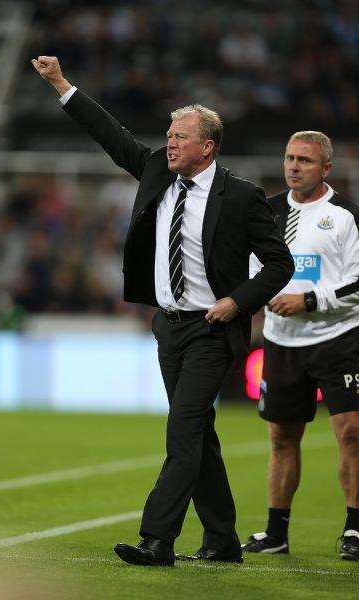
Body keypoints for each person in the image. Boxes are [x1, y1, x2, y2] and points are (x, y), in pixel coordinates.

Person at [31, 55, 294, 567]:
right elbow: (111, 135)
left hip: (211, 329)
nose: (169, 143)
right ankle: (222, 540)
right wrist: (61, 84)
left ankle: (158, 539)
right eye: (169, 136)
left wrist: (236, 302)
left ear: (207, 146)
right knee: (199, 436)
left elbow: (279, 263)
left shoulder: (241, 196)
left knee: (182, 433)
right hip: (167, 328)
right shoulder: (156, 171)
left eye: (180, 137)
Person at [244, 131, 359, 560]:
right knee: (281, 436)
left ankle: (355, 531)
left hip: (339, 338)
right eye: (290, 158)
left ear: (326, 168)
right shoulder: (266, 212)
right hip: (282, 340)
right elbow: (252, 269)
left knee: (352, 432)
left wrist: (308, 300)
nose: (294, 166)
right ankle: (276, 533)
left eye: (305, 160)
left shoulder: (346, 216)